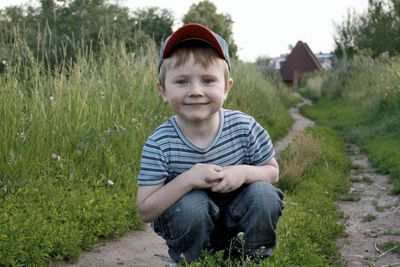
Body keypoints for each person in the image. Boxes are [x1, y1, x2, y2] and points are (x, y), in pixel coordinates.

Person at [136, 23, 284, 264]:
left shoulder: (243, 127)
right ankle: (192, 260)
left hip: (237, 214)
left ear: (226, 87)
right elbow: (146, 210)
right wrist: (187, 180)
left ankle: (249, 258)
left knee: (264, 194)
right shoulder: (160, 142)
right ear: (163, 90)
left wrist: (243, 172)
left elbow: (272, 172)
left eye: (207, 80)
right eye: (182, 81)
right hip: (188, 220)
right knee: (192, 205)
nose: (196, 91)